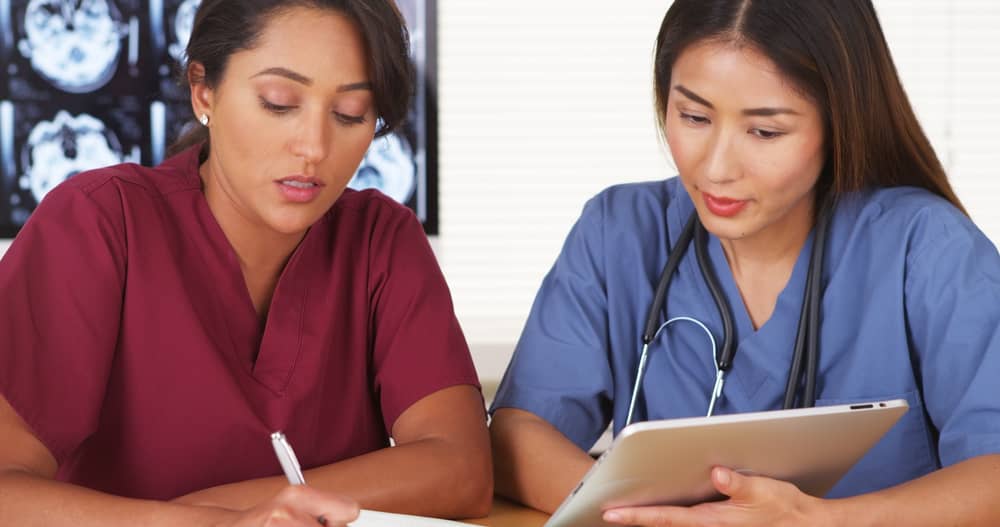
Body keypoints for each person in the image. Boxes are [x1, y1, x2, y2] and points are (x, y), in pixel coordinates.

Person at [489, 0, 1000, 525]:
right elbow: (516, 434)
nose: (715, 167)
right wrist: (648, 520)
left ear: (841, 120)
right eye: (693, 116)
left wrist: (816, 521)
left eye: (765, 132)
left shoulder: (929, 250)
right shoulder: (620, 232)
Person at [0, 1, 492, 525]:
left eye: (350, 113)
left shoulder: (381, 239)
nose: (314, 147)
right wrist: (210, 523)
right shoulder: (98, 223)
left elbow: (461, 470)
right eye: (278, 103)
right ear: (203, 90)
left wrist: (245, 508)